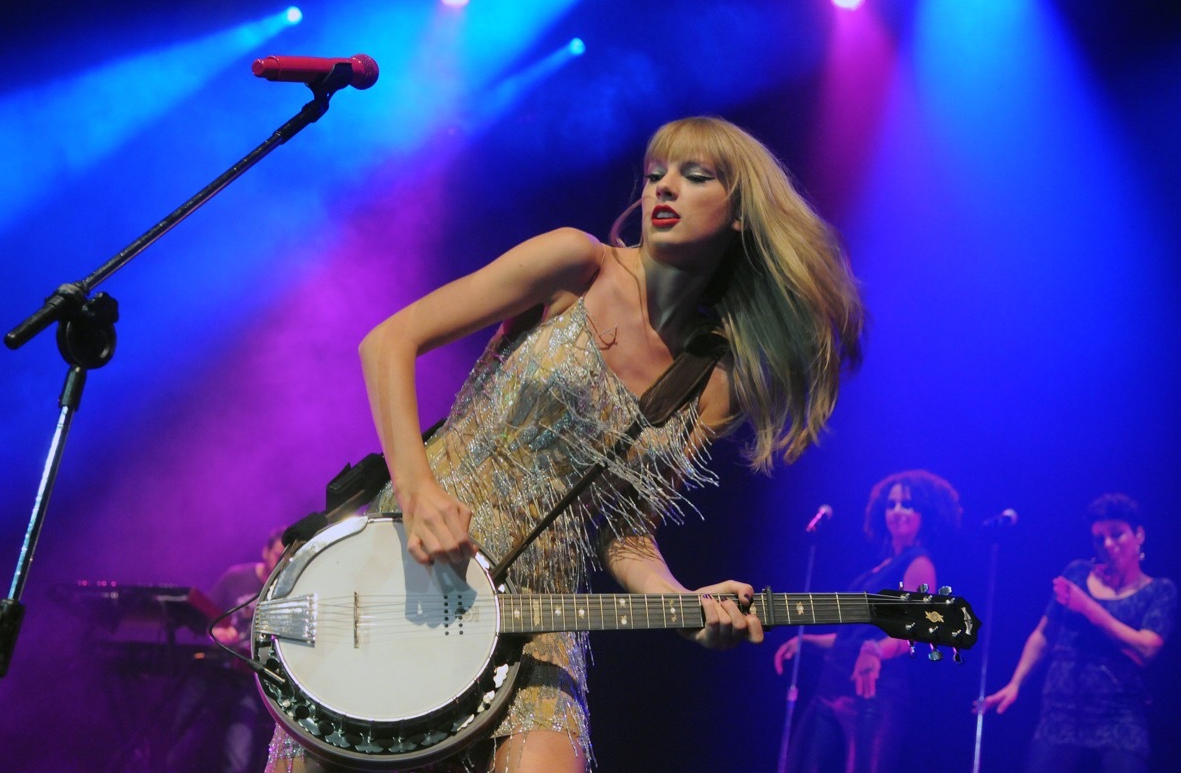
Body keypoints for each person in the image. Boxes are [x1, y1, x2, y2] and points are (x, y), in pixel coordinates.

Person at [265, 116, 865, 772]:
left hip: (538, 611)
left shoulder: (712, 381)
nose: (664, 188)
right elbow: (388, 341)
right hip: (411, 554)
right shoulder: (575, 263)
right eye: (655, 174)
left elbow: (627, 531)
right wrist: (418, 491)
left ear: (741, 216)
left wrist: (685, 605)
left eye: (695, 177)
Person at [773, 469, 963, 773]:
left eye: (907, 504)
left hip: (873, 693)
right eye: (891, 504)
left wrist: (876, 651)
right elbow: (852, 637)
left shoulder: (918, 562)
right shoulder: (875, 571)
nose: (897, 511)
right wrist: (806, 641)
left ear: (925, 513)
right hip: (830, 688)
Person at [978, 493, 1177, 773]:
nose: (1108, 544)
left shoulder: (1159, 591)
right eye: (1099, 538)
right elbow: (1043, 635)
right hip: (1061, 711)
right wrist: (1016, 682)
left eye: (1117, 534)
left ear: (1139, 535)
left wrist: (1089, 609)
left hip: (1119, 714)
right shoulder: (1077, 573)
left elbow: (1147, 648)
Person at [170, 528, 286, 772]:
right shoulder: (236, 578)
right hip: (211, 671)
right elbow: (202, 617)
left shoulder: (286, 593)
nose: (280, 563)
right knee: (184, 742)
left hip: (247, 682)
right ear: (265, 551)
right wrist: (215, 634)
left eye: (286, 559)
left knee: (238, 756)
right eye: (277, 555)